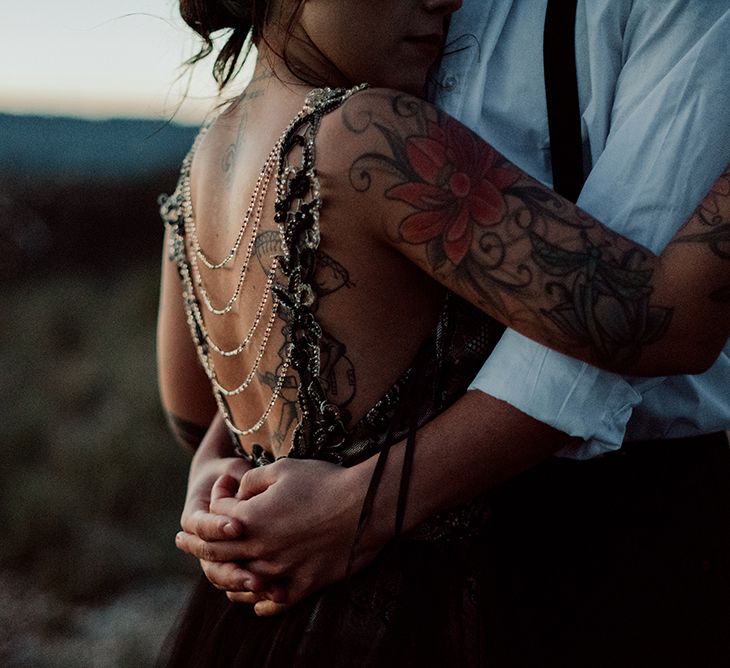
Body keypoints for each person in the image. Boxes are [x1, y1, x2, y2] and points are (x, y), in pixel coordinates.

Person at [159, 0, 730, 665]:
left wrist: (216, 487)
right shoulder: (375, 134)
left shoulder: (208, 151)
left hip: (261, 613)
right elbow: (660, 322)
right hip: (415, 616)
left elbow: (191, 414)